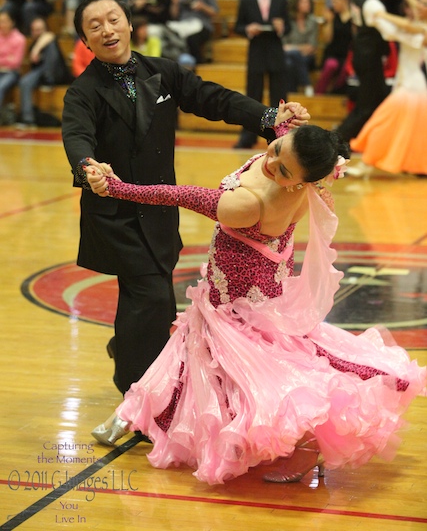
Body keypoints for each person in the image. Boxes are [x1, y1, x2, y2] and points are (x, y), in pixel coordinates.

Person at [87, 105, 426, 487]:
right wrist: (281, 121)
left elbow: (177, 194)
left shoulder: (247, 204)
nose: (271, 161)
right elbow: (287, 146)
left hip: (242, 302)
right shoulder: (305, 166)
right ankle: (132, 413)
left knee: (261, 376)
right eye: (277, 148)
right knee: (193, 351)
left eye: (284, 170)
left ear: (300, 183)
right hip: (250, 289)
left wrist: (117, 188)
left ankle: (305, 445)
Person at [61, 0, 298, 396]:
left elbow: (214, 99)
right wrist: (88, 168)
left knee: (154, 300)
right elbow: (76, 135)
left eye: (113, 19)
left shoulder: (164, 72)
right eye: (94, 26)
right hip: (117, 214)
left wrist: (267, 116)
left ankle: (129, 350)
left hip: (159, 210)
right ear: (85, 40)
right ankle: (137, 395)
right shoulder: (82, 92)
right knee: (150, 295)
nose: (107, 30)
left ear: (131, 23)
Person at [335, 0, 418, 142]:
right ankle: (336, 138)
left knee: (380, 100)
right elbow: (389, 33)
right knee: (366, 106)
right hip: (369, 56)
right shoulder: (374, 5)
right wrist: (416, 34)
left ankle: (375, 141)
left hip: (363, 53)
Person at [349, 0, 427, 176]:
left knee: (381, 123)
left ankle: (367, 163)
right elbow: (411, 18)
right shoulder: (417, 24)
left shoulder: (421, 30)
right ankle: (413, 165)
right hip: (408, 85)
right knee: (410, 130)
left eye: (423, 4)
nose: (417, 6)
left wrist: (383, 15)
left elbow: (407, 28)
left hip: (412, 88)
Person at [234, 0, 291, 148]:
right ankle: (248, 136)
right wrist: (249, 29)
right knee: (253, 95)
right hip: (257, 50)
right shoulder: (246, 0)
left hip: (275, 50)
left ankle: (280, 136)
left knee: (279, 96)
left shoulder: (281, 0)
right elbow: (238, 26)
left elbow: (288, 27)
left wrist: (281, 28)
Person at [15, 16, 72, 127]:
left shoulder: (51, 40)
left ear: (45, 29)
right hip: (40, 73)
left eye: (40, 29)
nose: (38, 32)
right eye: (35, 30)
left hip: (57, 74)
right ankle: (28, 119)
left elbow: (49, 36)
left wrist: (37, 49)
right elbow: (33, 63)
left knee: (51, 47)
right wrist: (35, 49)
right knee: (24, 82)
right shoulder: (32, 45)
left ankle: (49, 78)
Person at [169, 0, 218, 64]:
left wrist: (202, 6)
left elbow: (215, 12)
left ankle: (197, 63)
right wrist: (174, 3)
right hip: (184, 25)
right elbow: (174, 15)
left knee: (192, 39)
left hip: (202, 25)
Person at [315, 0, 352, 94]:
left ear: (344, 0)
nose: (333, 4)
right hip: (333, 53)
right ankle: (318, 93)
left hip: (348, 54)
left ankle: (335, 92)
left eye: (335, 1)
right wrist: (329, 22)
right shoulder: (332, 16)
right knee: (331, 65)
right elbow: (327, 39)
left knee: (347, 68)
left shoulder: (354, 17)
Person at [283, 0, 318, 96]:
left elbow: (311, 46)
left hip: (307, 57)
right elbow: (284, 45)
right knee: (289, 63)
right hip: (289, 56)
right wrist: (300, 48)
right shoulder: (288, 21)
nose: (307, 4)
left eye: (308, 2)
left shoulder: (312, 21)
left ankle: (291, 94)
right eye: (303, 1)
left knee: (291, 59)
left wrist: (293, 48)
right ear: (296, 4)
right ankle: (306, 85)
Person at [0, 10, 26, 120]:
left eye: (5, 21)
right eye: (0, 21)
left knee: (0, 87)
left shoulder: (19, 38)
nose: (2, 24)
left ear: (12, 22)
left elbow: (16, 62)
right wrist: (8, 58)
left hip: (11, 72)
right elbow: (10, 59)